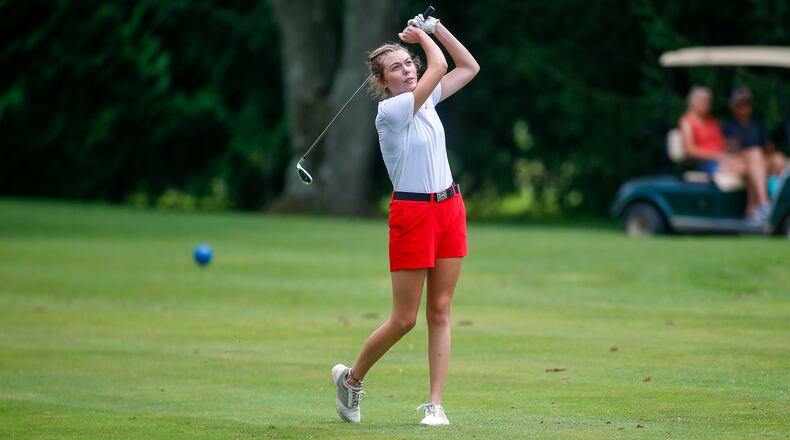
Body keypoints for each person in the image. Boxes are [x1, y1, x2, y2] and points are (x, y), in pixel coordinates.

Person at [331, 12, 479, 426]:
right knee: (405, 319)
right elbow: (441, 66)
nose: (407, 68)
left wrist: (437, 30)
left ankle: (435, 404)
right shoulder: (392, 113)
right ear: (383, 82)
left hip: (450, 207)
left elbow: (468, 67)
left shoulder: (426, 96)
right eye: (397, 67)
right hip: (412, 214)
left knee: (442, 310)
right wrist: (422, 36)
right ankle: (352, 380)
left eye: (408, 61)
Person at [679, 86, 771, 224]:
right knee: (754, 166)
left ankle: (756, 211)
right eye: (703, 100)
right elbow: (689, 150)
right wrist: (717, 156)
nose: (707, 104)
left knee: (756, 155)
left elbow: (719, 143)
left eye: (708, 101)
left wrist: (730, 145)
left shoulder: (711, 121)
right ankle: (760, 207)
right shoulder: (687, 121)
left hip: (722, 158)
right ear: (693, 102)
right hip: (707, 163)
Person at [722, 86, 787, 181]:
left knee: (779, 159)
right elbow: (728, 150)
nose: (745, 108)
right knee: (756, 158)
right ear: (734, 107)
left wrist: (769, 147)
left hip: (762, 158)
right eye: (741, 105)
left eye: (747, 104)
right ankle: (765, 193)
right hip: (741, 161)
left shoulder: (756, 122)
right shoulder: (728, 125)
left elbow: (768, 145)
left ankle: (777, 191)